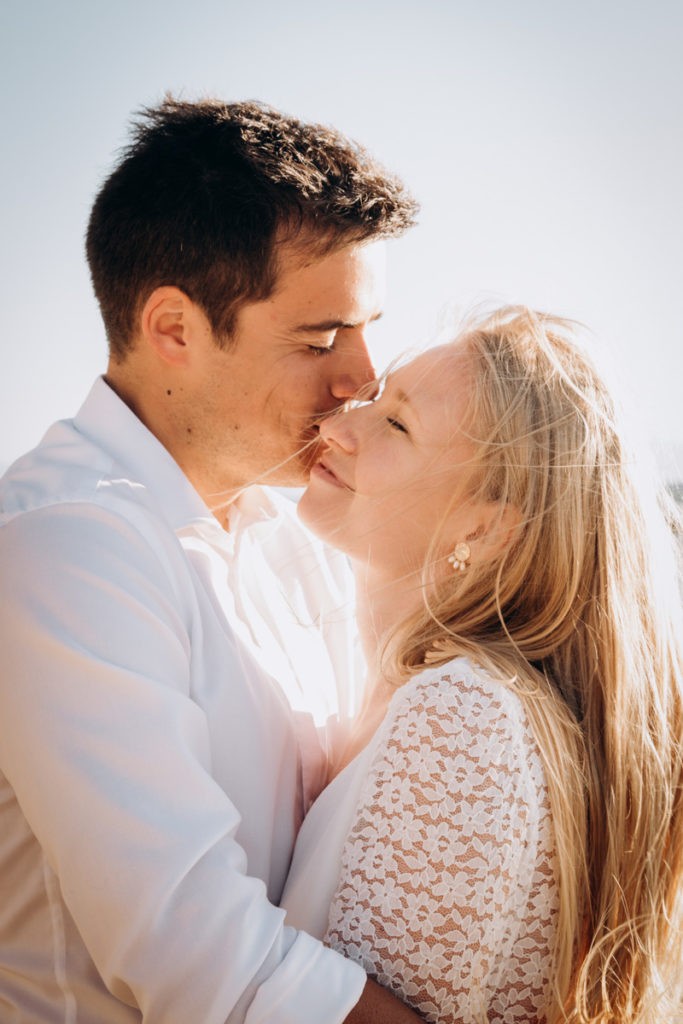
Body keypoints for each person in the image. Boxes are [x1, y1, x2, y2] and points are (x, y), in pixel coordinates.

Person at [0, 98, 423, 1023]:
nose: (363, 378)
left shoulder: (301, 536)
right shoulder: (64, 548)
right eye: (321, 339)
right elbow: (212, 967)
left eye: (367, 329)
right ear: (174, 330)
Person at [282, 305, 683, 1023]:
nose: (340, 425)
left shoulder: (462, 714)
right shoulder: (434, 695)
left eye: (396, 424)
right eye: (376, 399)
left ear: (485, 527)